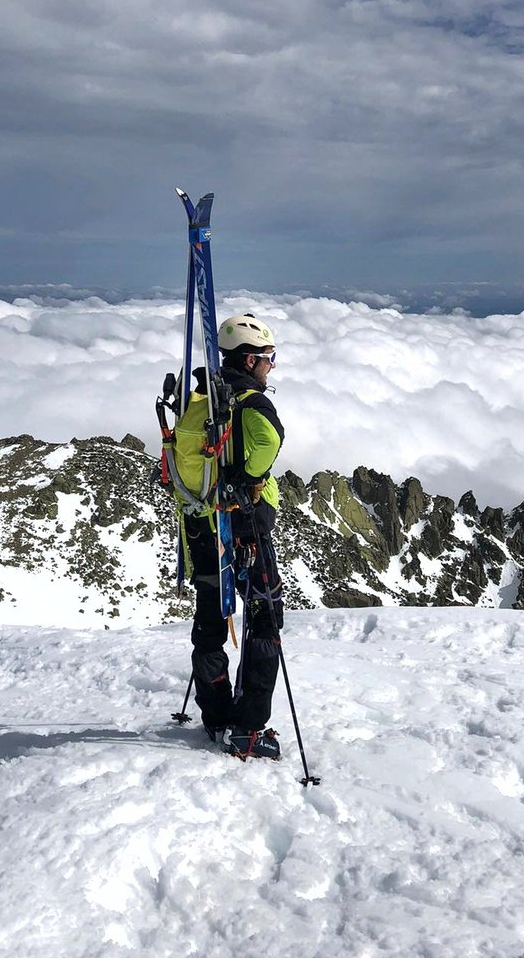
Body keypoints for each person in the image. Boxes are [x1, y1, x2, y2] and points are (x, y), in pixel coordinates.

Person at [184, 312, 285, 759]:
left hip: (203, 529)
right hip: (245, 530)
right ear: (247, 361)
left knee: (210, 626)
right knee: (263, 623)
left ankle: (216, 718)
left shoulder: (200, 401)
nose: (272, 366)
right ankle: (247, 729)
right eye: (268, 358)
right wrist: (250, 478)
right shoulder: (250, 403)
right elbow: (269, 442)